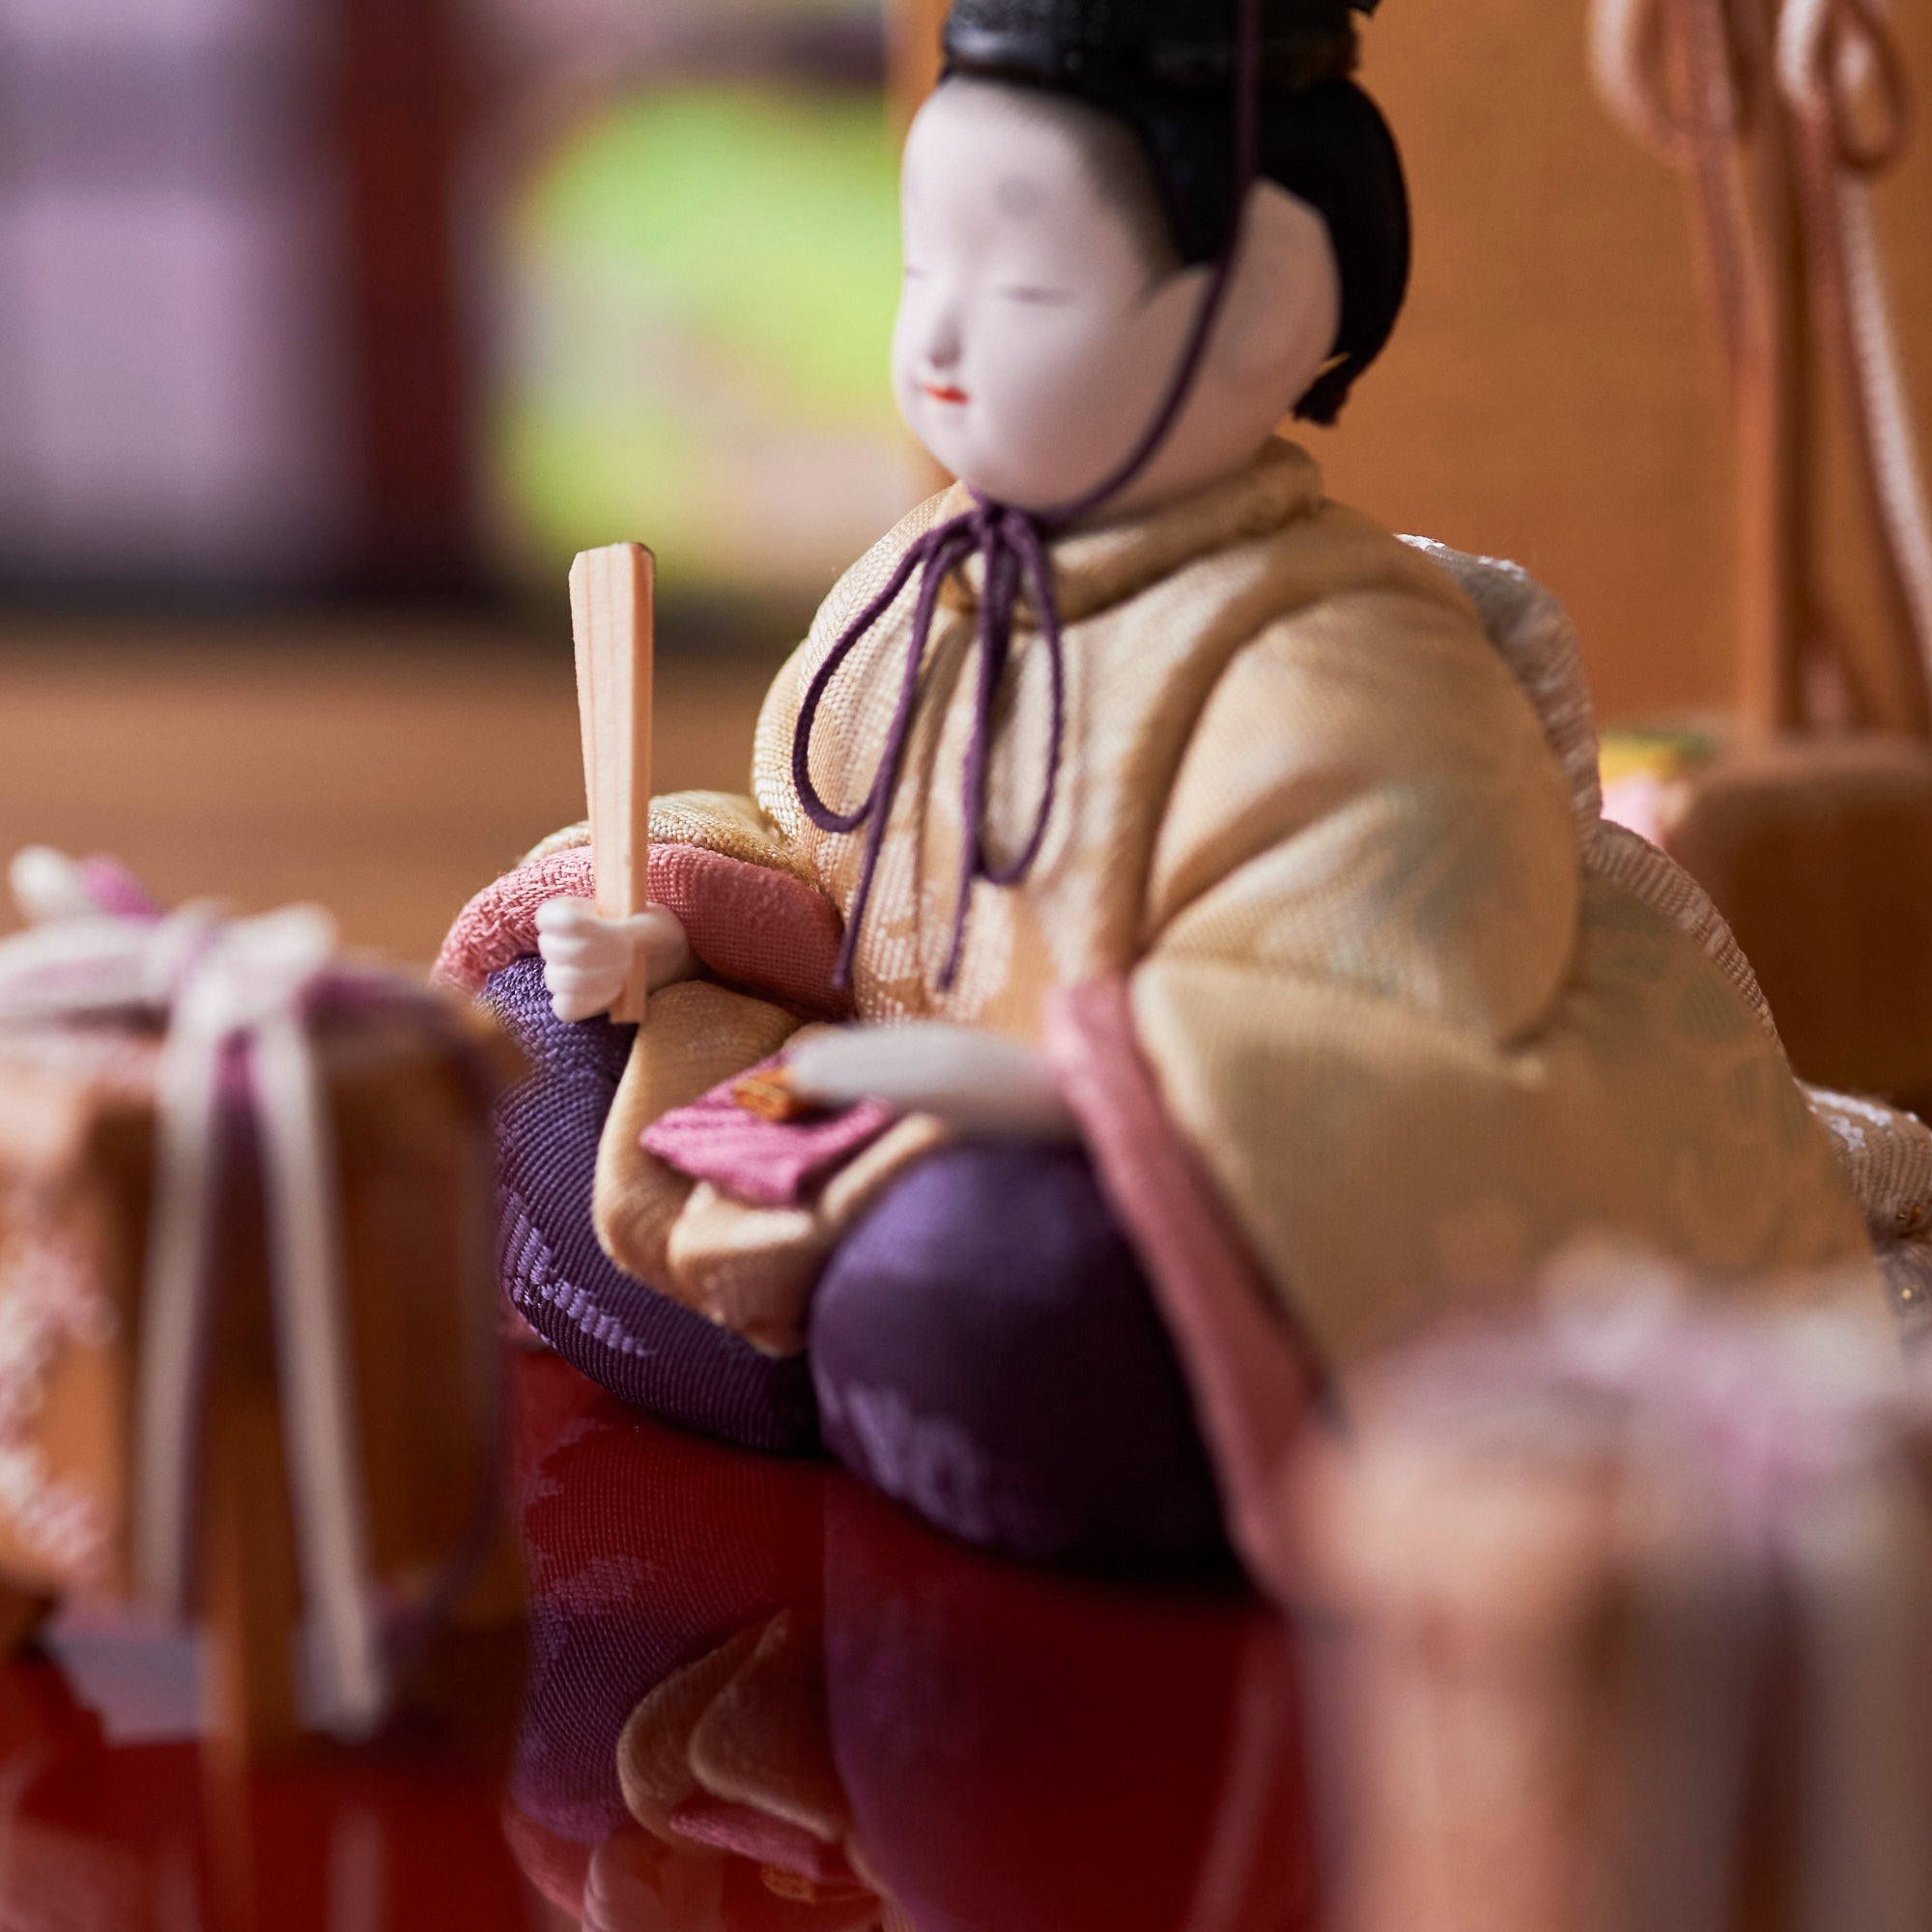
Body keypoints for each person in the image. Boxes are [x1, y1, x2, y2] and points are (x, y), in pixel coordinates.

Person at [460, 0, 1887, 1580]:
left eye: (1020, 285)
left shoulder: (1352, 655)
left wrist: (1016, 1088)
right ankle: (837, 1367)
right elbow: (835, 880)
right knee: (538, 1040)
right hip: (876, 1117)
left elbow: (1385, 1027)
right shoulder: (923, 583)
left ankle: (845, 1357)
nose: (936, 340)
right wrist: (664, 936)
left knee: (994, 1274)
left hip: (1111, 1178)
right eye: (923, 267)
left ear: (1261, 307)